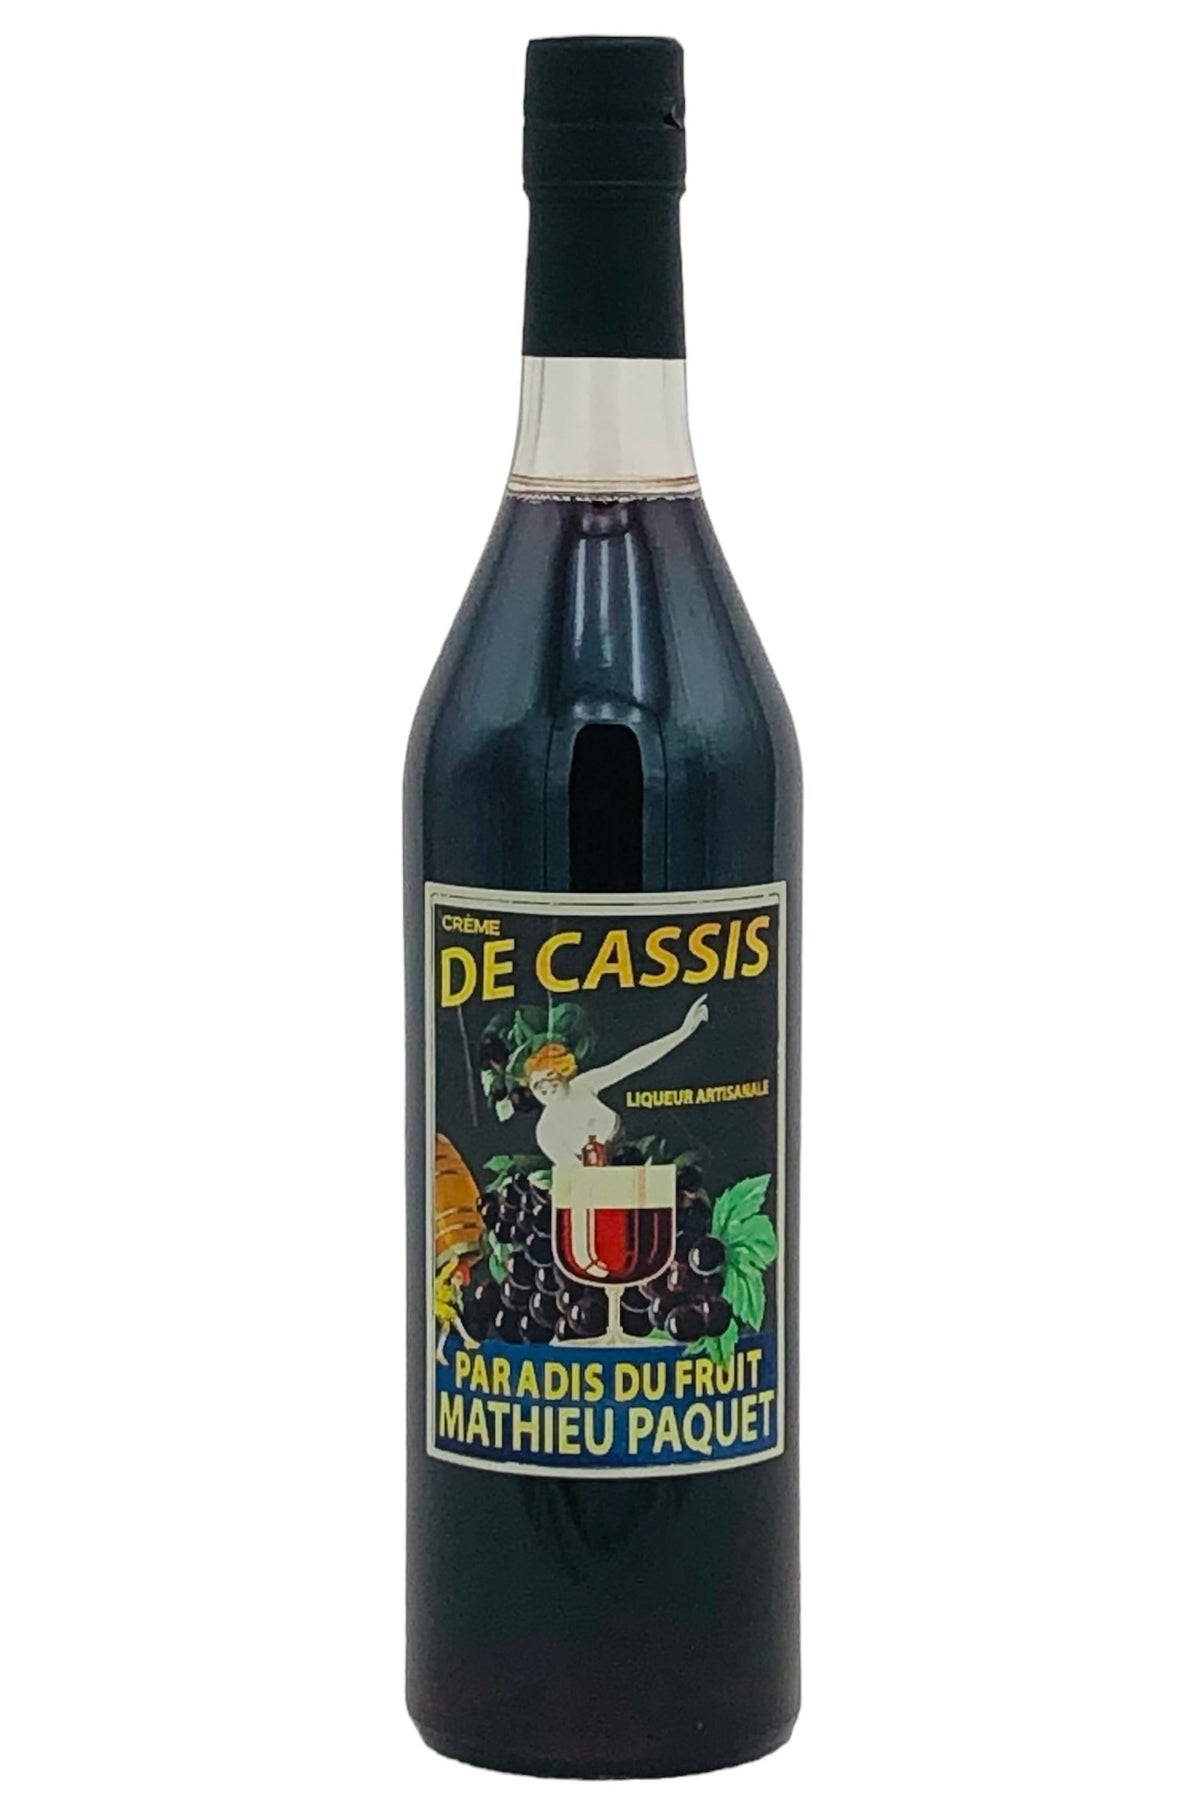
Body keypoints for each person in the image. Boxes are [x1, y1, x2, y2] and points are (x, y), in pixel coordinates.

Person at [524, 995, 709, 1167]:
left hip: (636, 1149)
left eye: (550, 1076)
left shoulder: (583, 1085)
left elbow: (631, 1063)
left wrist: (683, 1032)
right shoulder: (546, 1132)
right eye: (537, 1085)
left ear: (564, 1072)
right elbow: (575, 1175)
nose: (546, 1086)